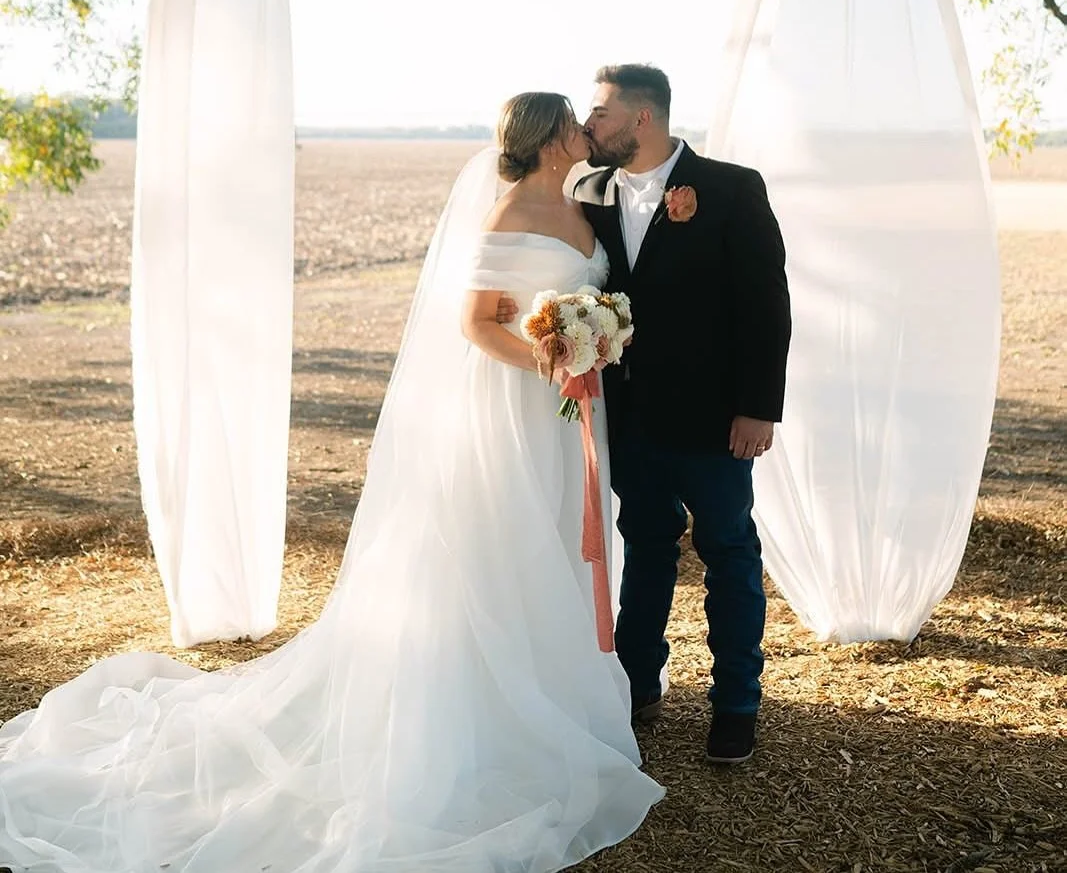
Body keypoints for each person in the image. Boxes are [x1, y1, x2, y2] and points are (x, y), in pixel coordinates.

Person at [0, 92, 663, 873]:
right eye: (572, 121)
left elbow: (584, 295)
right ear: (548, 138)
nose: (584, 129)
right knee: (502, 539)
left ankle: (554, 687)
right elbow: (476, 322)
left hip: (566, 414)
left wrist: (591, 342)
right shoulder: (505, 214)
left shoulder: (582, 204)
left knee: (553, 535)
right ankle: (482, 697)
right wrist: (549, 358)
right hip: (510, 408)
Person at [500, 65, 791, 765]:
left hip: (715, 419)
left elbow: (765, 305)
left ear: (642, 118)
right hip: (626, 419)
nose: (587, 124)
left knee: (728, 551)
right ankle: (634, 688)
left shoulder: (730, 188)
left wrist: (758, 408)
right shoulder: (589, 194)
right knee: (644, 548)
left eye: (599, 113)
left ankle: (736, 704)